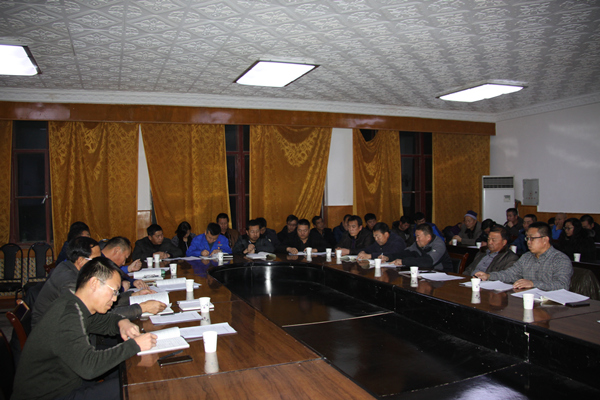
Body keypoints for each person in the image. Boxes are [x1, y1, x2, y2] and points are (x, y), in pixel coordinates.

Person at [12, 258, 157, 400]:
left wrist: (121, 322)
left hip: (68, 379)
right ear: (94, 283)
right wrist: (135, 345)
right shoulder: (67, 315)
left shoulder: (73, 302)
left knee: (132, 370)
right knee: (137, 385)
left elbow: (102, 322)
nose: (114, 299)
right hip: (52, 394)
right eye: (114, 292)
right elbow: (90, 367)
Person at [475, 222, 573, 290]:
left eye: (532, 238)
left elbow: (562, 285)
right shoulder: (526, 257)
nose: (528, 242)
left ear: (545, 240)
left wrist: (533, 283)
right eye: (527, 238)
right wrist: (489, 276)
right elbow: (510, 274)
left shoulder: (560, 259)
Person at [32, 237, 101, 328]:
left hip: (56, 322)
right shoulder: (69, 281)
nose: (100, 264)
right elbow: (80, 313)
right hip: (48, 329)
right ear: (81, 261)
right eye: (96, 260)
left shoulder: (67, 265)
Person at [387, 223, 452, 272]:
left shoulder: (439, 245)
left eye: (418, 237)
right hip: (426, 273)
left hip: (443, 275)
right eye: (416, 237)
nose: (416, 240)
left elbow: (428, 262)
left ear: (428, 237)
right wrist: (388, 257)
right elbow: (406, 253)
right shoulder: (418, 244)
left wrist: (403, 261)